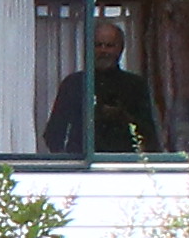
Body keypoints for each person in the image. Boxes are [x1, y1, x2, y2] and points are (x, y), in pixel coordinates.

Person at [46, 11, 162, 155]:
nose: (103, 50)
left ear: (120, 49)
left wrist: (123, 117)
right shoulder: (74, 84)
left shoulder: (135, 86)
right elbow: (53, 134)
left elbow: (150, 137)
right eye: (98, 45)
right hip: (81, 168)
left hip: (126, 166)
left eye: (109, 45)